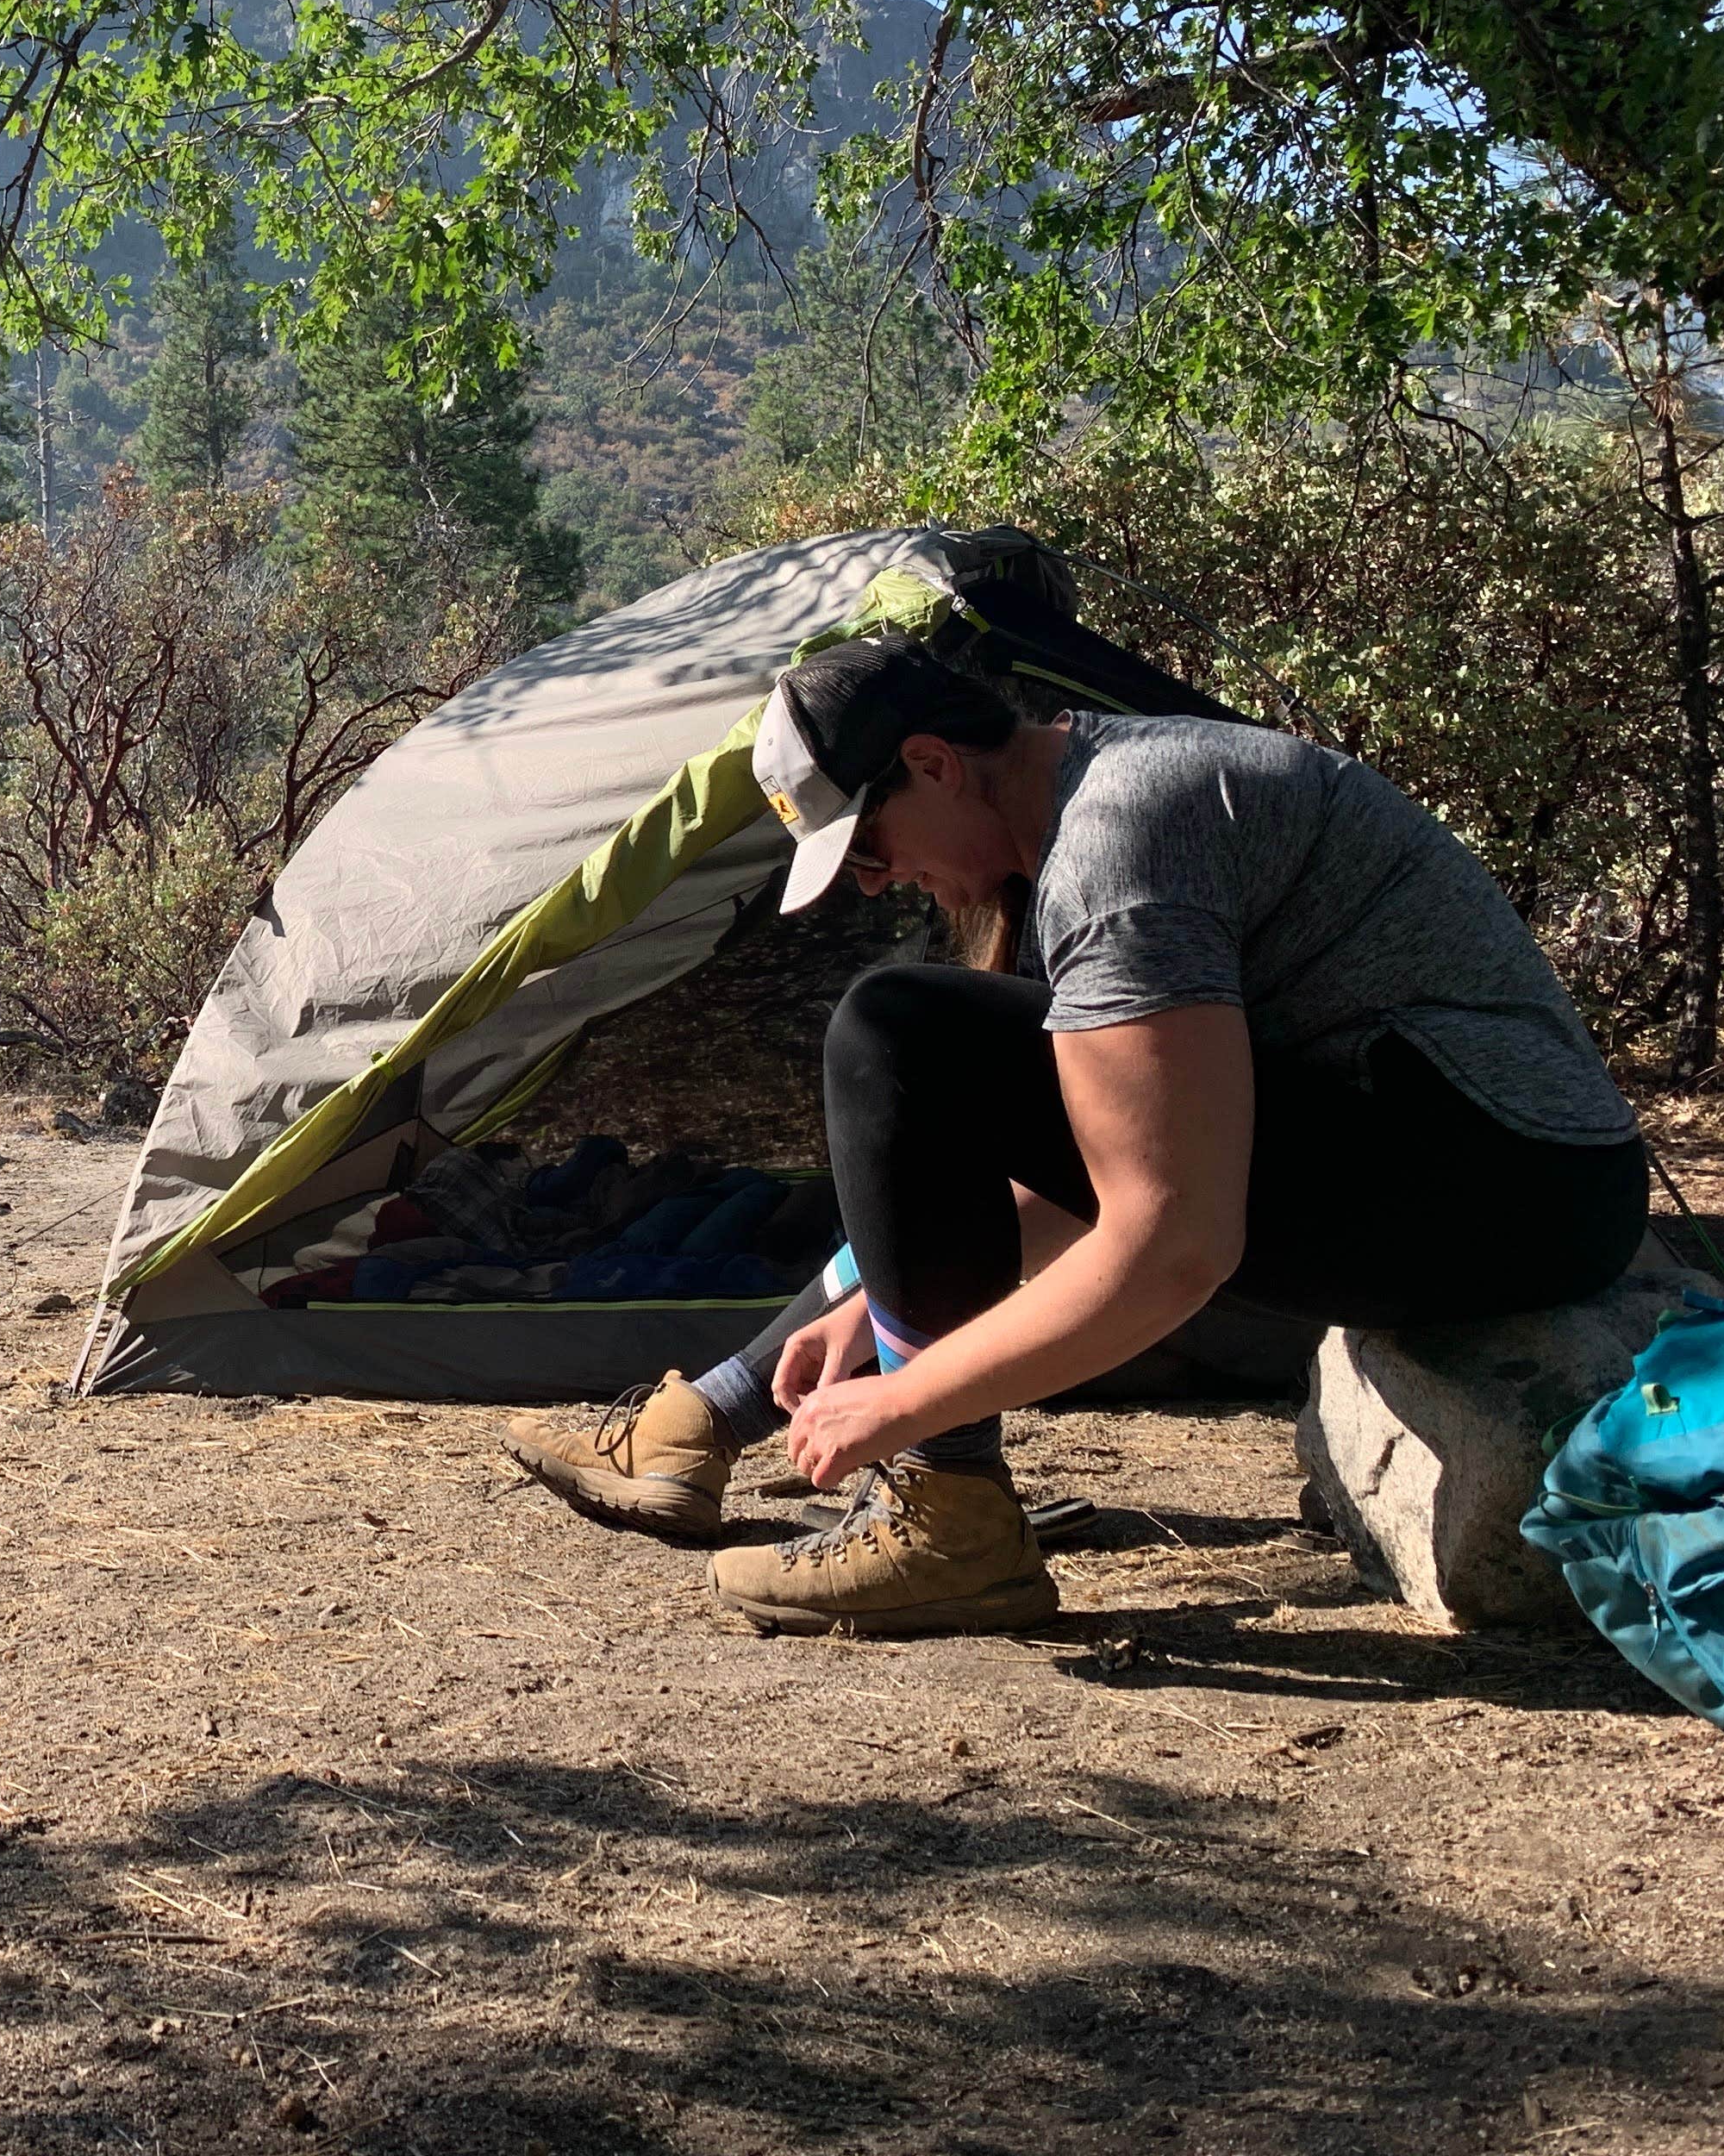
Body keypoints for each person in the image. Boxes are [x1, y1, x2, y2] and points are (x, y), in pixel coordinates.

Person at [504, 632, 1648, 1637]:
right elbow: (1122, 1158)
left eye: (867, 845)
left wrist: (912, 1401)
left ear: (935, 765)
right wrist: (873, 1312)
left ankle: (945, 1520)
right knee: (931, 1046)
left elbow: (1173, 1237)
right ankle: (720, 1422)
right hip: (1507, 1177)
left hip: (1495, 1182)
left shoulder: (1118, 846)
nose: (873, 882)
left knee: (899, 1030)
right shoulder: (1112, 788)